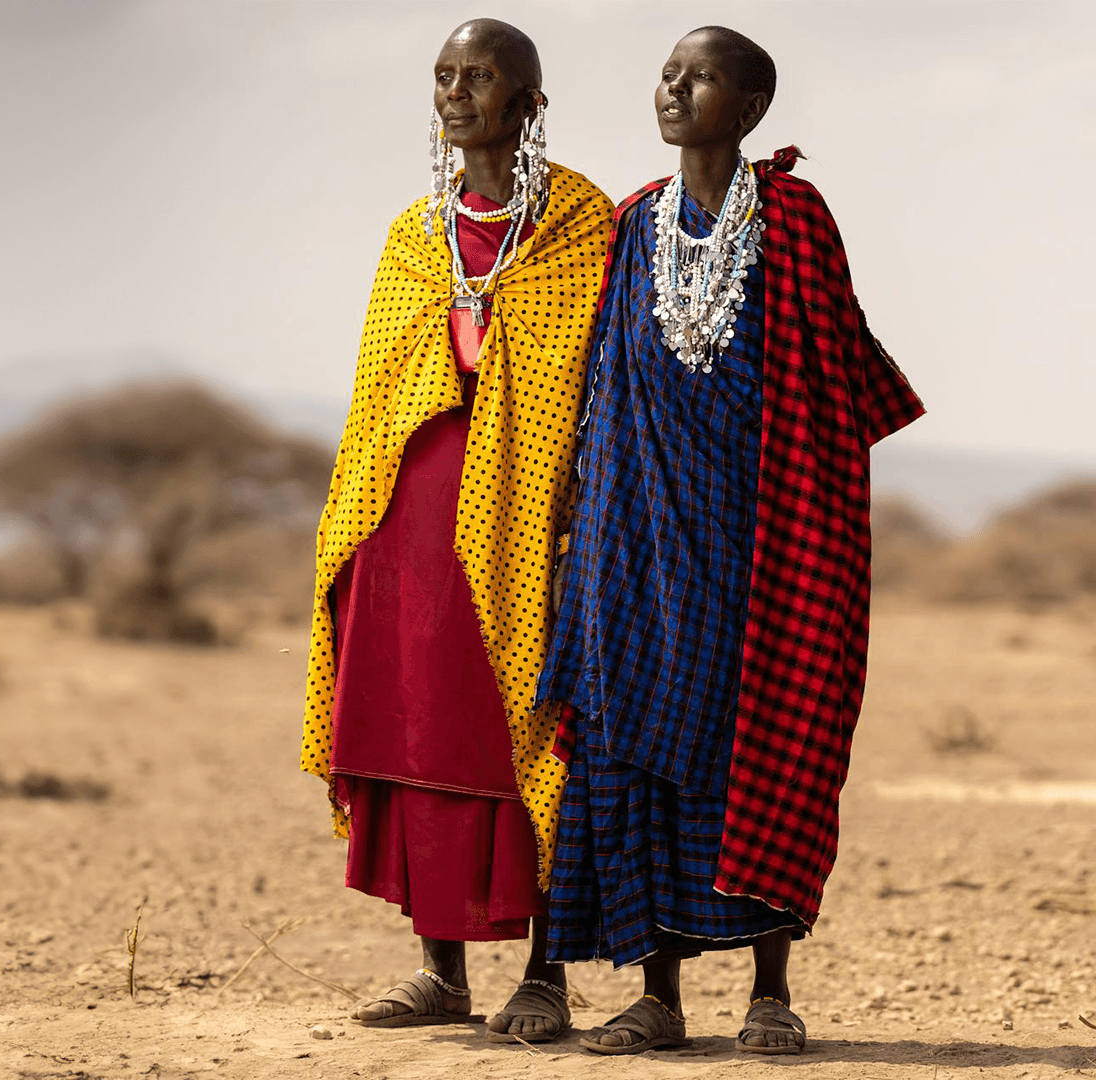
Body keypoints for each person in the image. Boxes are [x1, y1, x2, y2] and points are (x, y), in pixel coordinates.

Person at [536, 26, 924, 1056]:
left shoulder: (795, 219)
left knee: (759, 740)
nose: (674, 88)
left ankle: (770, 990)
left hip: (763, 535)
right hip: (636, 541)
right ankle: (655, 993)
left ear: (748, 109)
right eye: (668, 72)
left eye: (699, 76)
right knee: (634, 746)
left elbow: (832, 369)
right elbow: (604, 384)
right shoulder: (631, 223)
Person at [300, 18, 612, 1043]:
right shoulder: (412, 232)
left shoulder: (580, 222)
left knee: (528, 725)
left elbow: (600, 378)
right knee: (418, 724)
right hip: (410, 514)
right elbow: (381, 385)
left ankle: (548, 974)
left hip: (531, 512)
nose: (456, 91)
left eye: (481, 75)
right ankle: (438, 971)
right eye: (443, 75)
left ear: (529, 99)